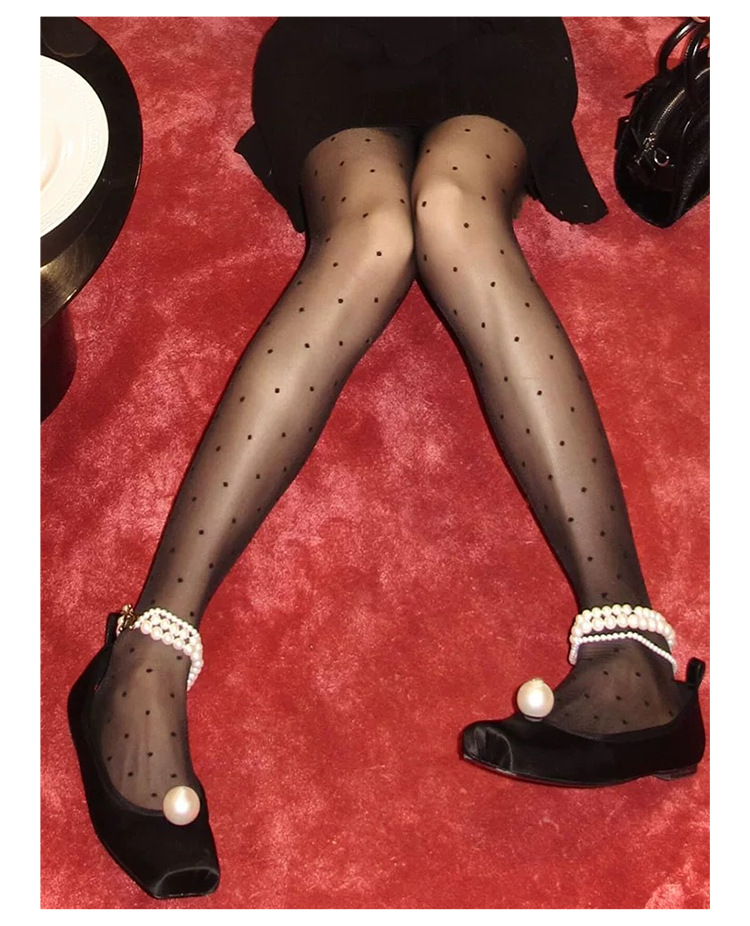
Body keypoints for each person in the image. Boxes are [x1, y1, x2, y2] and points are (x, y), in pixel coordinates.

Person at [67, 17, 706, 900]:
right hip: (335, 42)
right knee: (374, 238)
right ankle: (143, 658)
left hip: (495, 41)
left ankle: (633, 653)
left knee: (452, 211)